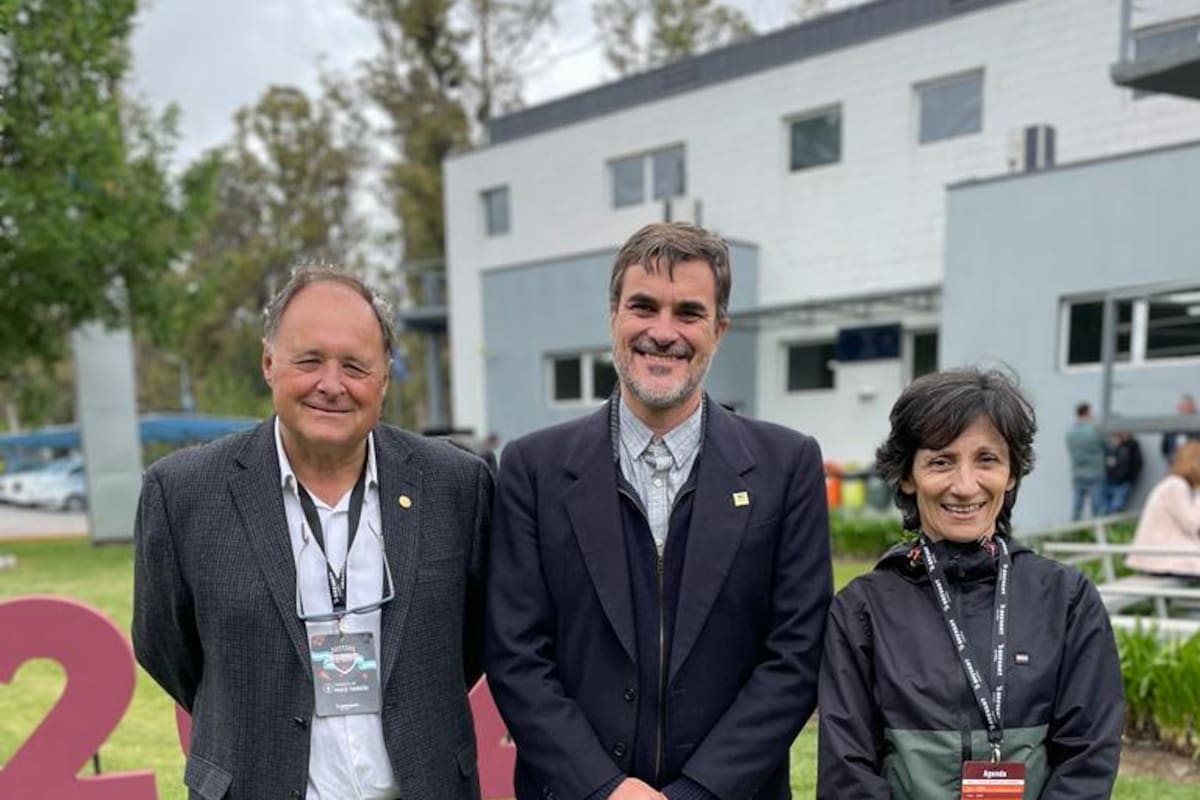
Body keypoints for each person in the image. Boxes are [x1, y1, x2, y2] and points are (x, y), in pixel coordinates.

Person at [485, 222, 832, 800]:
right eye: (643, 306)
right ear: (613, 318)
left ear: (719, 329)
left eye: (689, 313)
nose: (662, 332)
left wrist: (699, 790)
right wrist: (604, 788)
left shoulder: (787, 466)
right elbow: (516, 654)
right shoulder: (532, 469)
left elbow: (796, 654)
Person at [132, 267, 492, 800]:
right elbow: (168, 649)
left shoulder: (458, 485)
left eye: (354, 365)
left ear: (384, 378)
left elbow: (473, 642)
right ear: (268, 363)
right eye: (309, 361)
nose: (331, 384)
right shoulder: (183, 493)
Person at [817, 368, 1123, 799]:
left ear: (1012, 473)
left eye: (987, 460)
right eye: (941, 461)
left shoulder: (1066, 598)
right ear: (907, 475)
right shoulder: (863, 610)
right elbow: (846, 773)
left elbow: (1088, 756)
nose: (965, 486)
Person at [1126, 440, 1200, 577]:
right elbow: (1192, 524)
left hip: (1164, 557)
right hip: (1162, 559)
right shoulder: (1175, 485)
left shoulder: (1176, 484)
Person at [1065, 401, 1106, 520]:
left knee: (1077, 506)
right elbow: (1106, 445)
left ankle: (1073, 532)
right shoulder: (1095, 431)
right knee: (1097, 507)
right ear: (1087, 413)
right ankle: (1097, 533)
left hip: (1078, 473)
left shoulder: (1070, 433)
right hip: (1095, 472)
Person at [1103, 431, 1142, 514]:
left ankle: (1112, 526)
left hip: (1123, 482)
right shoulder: (1112, 445)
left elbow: (1137, 463)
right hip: (1110, 481)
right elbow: (1108, 461)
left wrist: (1131, 478)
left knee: (1116, 507)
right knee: (1105, 508)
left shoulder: (1132, 445)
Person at [1160, 393, 1199, 463]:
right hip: (1175, 466)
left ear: (1193, 407)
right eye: (1180, 406)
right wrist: (1172, 459)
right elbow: (1165, 448)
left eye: (1185, 406)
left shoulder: (1197, 425)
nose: (1182, 408)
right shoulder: (1171, 425)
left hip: (1195, 468)